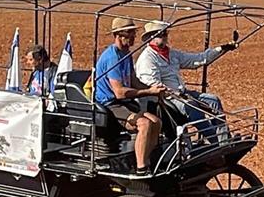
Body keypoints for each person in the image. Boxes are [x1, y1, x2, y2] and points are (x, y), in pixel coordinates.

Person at [135, 20, 236, 139]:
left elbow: (198, 59)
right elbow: (152, 84)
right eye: (161, 34)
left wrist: (222, 49)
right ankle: (215, 140)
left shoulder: (172, 53)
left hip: (182, 94)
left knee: (213, 101)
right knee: (191, 106)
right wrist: (175, 94)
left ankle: (224, 139)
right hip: (166, 99)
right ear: (151, 37)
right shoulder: (147, 59)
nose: (165, 36)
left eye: (165, 33)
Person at [94, 17, 166, 176]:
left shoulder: (126, 53)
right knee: (144, 124)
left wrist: (153, 88)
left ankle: (147, 160)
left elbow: (133, 81)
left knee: (156, 122)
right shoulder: (112, 57)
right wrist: (149, 92)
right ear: (120, 35)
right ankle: (141, 168)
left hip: (125, 103)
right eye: (131, 33)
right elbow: (119, 92)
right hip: (110, 105)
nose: (134, 37)